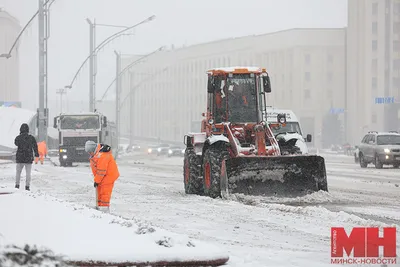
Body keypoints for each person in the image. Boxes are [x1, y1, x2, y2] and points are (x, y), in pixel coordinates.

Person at [84, 140, 120, 213]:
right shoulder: (96, 154)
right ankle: (100, 209)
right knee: (100, 193)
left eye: (89, 152)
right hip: (102, 177)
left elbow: (101, 171)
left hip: (108, 176)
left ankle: (104, 211)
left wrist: (97, 181)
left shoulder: (102, 155)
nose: (89, 154)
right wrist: (97, 180)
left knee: (104, 194)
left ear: (92, 149)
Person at [14, 123, 39, 190]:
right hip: (28, 158)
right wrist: (36, 154)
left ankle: (17, 185)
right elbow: (35, 147)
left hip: (20, 158)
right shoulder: (31, 138)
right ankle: (27, 186)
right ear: (28, 130)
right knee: (28, 173)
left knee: (18, 173)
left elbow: (16, 143)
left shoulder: (18, 138)